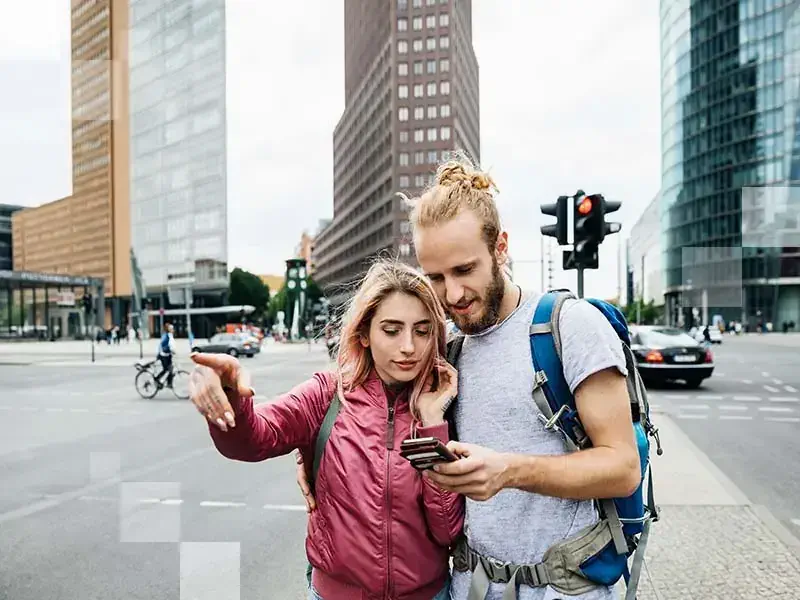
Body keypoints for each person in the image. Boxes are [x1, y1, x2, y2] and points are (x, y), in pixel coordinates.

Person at [298, 153, 641, 600]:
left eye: (464, 270)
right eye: (435, 277)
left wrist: (510, 471)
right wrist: (315, 450)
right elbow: (371, 408)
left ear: (500, 247)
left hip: (564, 590)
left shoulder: (568, 327)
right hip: (469, 587)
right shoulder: (445, 346)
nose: (452, 294)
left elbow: (622, 467)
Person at [188, 260, 464, 600]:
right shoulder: (327, 395)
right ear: (363, 333)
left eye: (422, 331)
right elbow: (251, 440)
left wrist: (433, 423)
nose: (408, 346)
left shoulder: (449, 399)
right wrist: (229, 393)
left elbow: (447, 530)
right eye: (391, 330)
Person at [156, 323, 176, 388]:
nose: (173, 330)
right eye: (172, 329)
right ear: (169, 329)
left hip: (168, 355)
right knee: (166, 369)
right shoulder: (167, 336)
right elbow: (164, 345)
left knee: (170, 369)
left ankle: (169, 383)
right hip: (163, 355)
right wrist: (171, 350)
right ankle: (157, 379)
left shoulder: (169, 335)